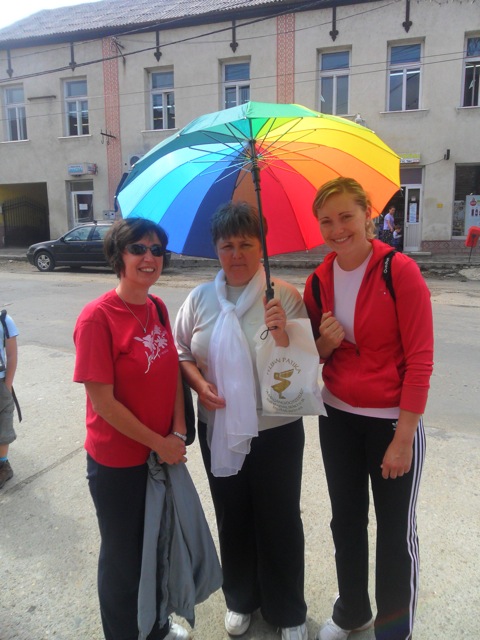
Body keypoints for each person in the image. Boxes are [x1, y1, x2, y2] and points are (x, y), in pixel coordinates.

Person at [303, 178, 434, 640]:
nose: (337, 229)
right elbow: (307, 358)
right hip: (337, 418)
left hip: (391, 422)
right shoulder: (318, 281)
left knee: (395, 533)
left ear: (368, 215)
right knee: (346, 521)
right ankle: (352, 610)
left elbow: (420, 360)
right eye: (326, 221)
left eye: (346, 216)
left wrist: (403, 438)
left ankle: (394, 632)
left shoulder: (399, 272)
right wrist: (322, 342)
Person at [174, 201, 308, 640]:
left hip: (276, 431)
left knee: (280, 517)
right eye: (227, 245)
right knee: (232, 515)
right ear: (216, 249)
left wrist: (284, 331)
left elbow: (307, 364)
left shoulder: (283, 295)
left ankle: (287, 608)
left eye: (246, 244)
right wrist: (199, 385)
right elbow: (181, 352)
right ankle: (241, 598)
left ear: (261, 247)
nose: (236, 254)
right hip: (219, 429)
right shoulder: (199, 299)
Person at [73, 218, 190, 640]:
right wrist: (160, 442)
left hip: (159, 455)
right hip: (118, 463)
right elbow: (103, 403)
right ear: (118, 256)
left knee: (156, 546)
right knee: (124, 559)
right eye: (138, 248)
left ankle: (156, 627)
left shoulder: (156, 308)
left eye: (157, 250)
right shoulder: (97, 318)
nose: (149, 257)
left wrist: (178, 433)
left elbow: (171, 372)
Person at [0, 310, 19, 490]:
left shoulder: (4, 320)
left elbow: (12, 355)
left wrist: (7, 384)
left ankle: (3, 465)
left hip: (1, 384)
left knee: (3, 424)